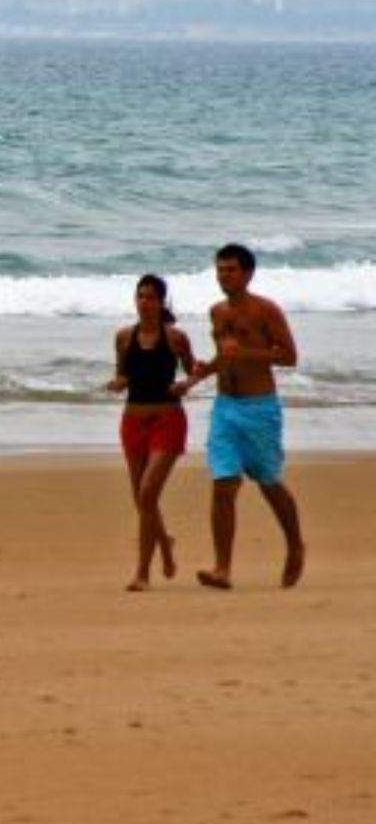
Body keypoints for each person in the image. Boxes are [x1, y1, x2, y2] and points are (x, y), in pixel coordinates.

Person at [172, 243, 306, 589]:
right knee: (223, 484)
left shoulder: (266, 311)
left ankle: (295, 545)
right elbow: (224, 357)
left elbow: (289, 357)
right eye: (220, 269)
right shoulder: (216, 312)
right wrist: (195, 378)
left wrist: (245, 352)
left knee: (269, 483)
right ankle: (222, 569)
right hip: (225, 408)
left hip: (260, 409)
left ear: (247, 273)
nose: (223, 275)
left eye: (230, 269)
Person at [107, 274, 196, 591]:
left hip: (167, 420)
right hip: (132, 422)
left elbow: (193, 369)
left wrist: (186, 384)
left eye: (150, 297)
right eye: (140, 296)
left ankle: (142, 573)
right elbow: (122, 374)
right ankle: (166, 544)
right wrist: (117, 383)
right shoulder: (122, 337)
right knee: (141, 498)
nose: (144, 302)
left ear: (161, 302)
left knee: (147, 493)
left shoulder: (175, 338)